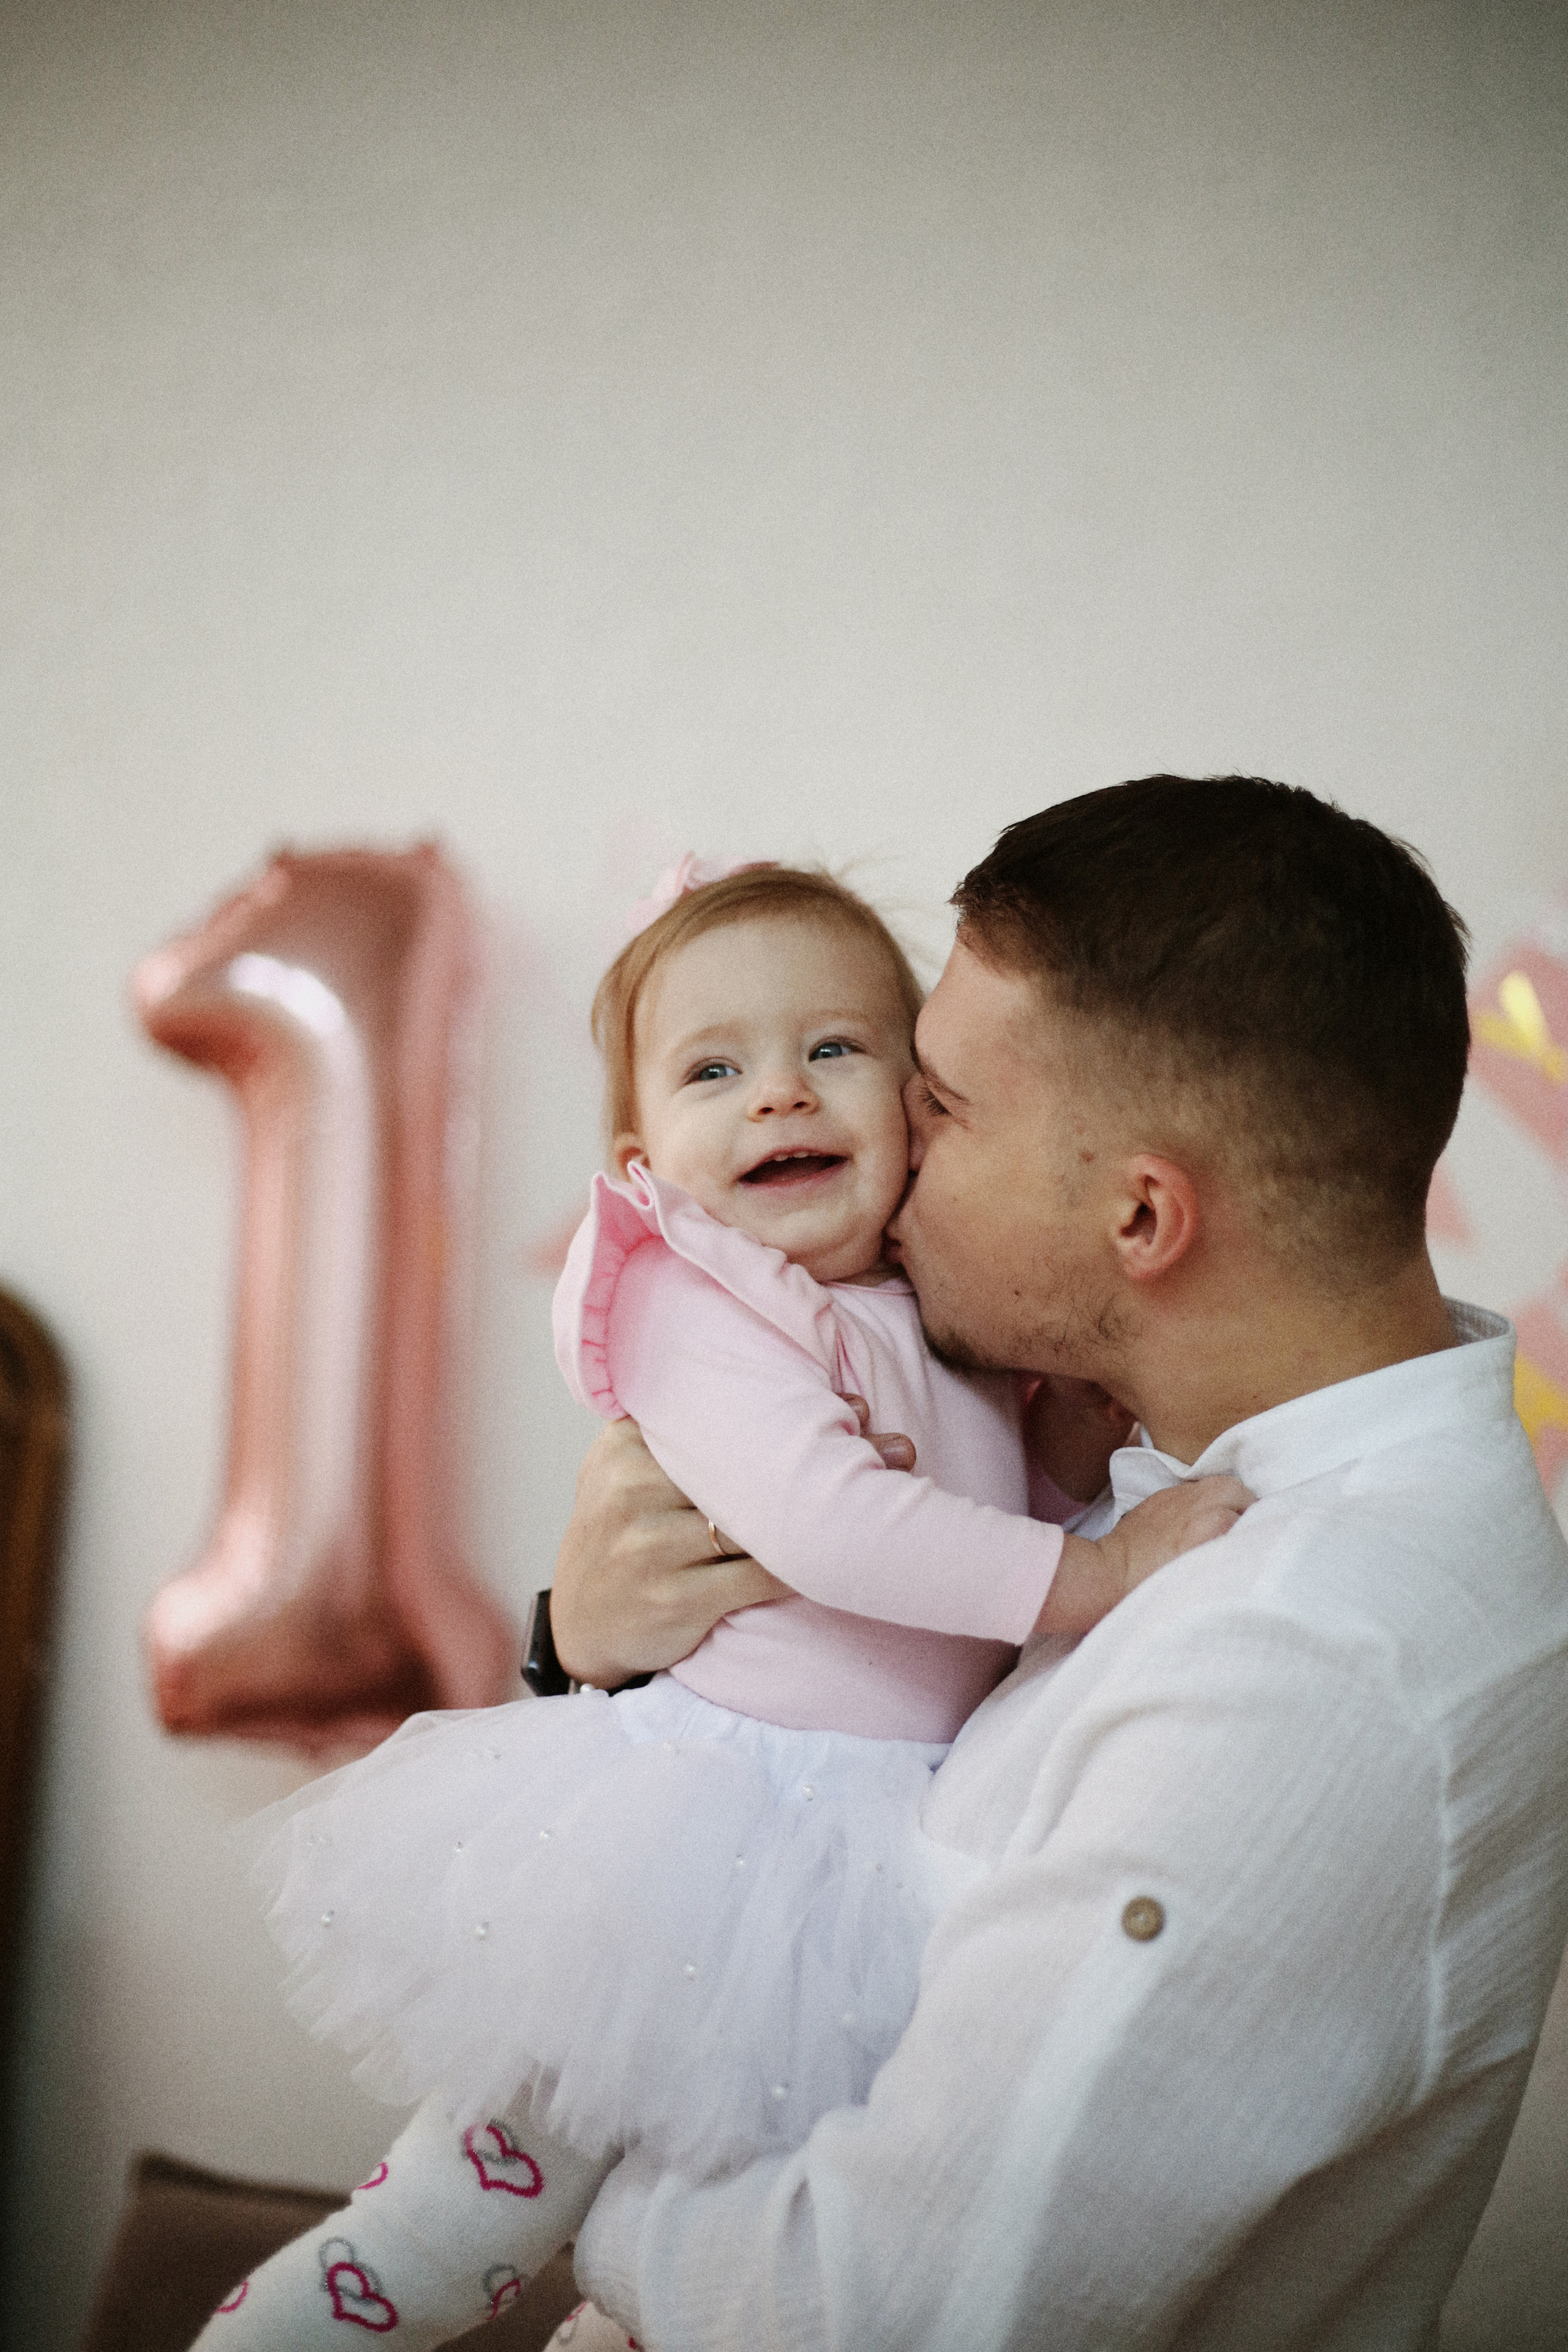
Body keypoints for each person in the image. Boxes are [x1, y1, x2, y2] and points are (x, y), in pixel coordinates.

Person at [548, 777, 1568, 2352]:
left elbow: (879, 2313)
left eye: (938, 1105)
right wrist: (588, 1650)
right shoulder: (1172, 1474)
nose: (879, 1140)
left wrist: (566, 2177)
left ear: (1140, 1216)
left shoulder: (1297, 1668)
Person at [190, 862, 1242, 2349]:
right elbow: (837, 1528)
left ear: (919, 1109)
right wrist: (1106, 1573)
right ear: (644, 1159)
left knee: (725, 2251)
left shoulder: (934, 1312)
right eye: (713, 1070)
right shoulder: (696, 1298)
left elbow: (988, 1517)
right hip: (707, 1833)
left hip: (858, 1850)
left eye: (833, 1048)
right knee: (457, 2223)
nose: (779, 1095)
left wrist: (1068, 1451)